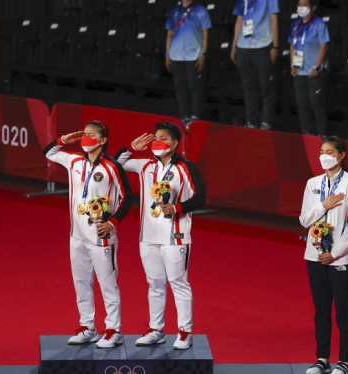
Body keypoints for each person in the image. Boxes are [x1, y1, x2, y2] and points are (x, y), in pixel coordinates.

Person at [115, 122, 206, 350]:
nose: (156, 141)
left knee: (178, 284)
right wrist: (131, 147)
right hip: (148, 236)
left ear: (174, 144)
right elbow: (116, 165)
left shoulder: (186, 168)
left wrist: (177, 208)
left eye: (162, 138)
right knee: (154, 284)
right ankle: (156, 330)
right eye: (155, 137)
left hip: (175, 236)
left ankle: (185, 332)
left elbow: (200, 197)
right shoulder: (145, 164)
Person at [43, 121, 132, 348]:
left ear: (102, 141)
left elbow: (127, 197)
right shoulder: (73, 160)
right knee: (81, 282)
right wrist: (65, 139)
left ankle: (114, 329)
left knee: (107, 284)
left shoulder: (112, 167)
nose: (86, 138)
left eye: (91, 135)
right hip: (77, 235)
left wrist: (112, 222)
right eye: (85, 134)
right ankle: (88, 327)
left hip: (101, 236)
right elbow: (49, 152)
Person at [299, 136, 348, 374]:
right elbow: (305, 219)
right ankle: (322, 358)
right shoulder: (312, 183)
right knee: (321, 309)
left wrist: (335, 253)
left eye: (330, 152)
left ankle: (344, 361)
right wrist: (323, 206)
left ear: (342, 155)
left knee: (344, 308)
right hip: (314, 256)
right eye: (322, 151)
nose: (325, 156)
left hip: (340, 258)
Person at [231, 0, 280, 130]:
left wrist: (275, 46)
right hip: (243, 46)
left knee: (266, 86)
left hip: (263, 45)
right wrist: (234, 46)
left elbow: (274, 19)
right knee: (249, 86)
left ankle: (266, 121)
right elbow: (239, 20)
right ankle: (251, 121)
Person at [165, 0, 212, 129]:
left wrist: (203, 54)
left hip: (194, 55)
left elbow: (205, 34)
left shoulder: (201, 11)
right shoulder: (174, 11)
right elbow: (169, 35)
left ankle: (195, 116)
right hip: (176, 55)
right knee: (180, 87)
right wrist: (167, 53)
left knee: (194, 87)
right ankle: (183, 116)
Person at [289, 0, 330, 137]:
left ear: (313, 7)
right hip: (300, 70)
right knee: (302, 103)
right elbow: (292, 45)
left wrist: (317, 67)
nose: (301, 8)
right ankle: (306, 132)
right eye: (299, 4)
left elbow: (324, 46)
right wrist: (292, 65)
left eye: (305, 5)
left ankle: (322, 134)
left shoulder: (319, 24)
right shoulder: (295, 25)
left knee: (316, 103)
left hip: (315, 71)